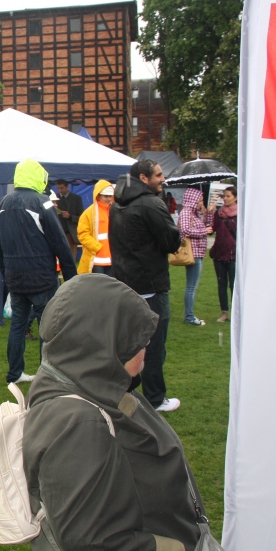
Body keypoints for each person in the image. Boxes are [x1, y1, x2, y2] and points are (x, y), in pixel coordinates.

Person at [22, 274, 228, 551]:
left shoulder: (88, 382)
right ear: (103, 342)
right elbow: (91, 539)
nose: (146, 345)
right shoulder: (77, 423)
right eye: (135, 339)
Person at [0, 160, 77, 385]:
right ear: (39, 177)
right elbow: (60, 243)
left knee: (18, 325)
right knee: (47, 327)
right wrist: (72, 279)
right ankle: (46, 377)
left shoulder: (1, 203)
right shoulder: (43, 202)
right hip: (41, 278)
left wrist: (7, 271)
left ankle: (15, 374)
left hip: (15, 277)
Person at [109, 159, 183, 413]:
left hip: (125, 283)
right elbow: (171, 241)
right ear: (143, 178)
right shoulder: (151, 203)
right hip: (149, 284)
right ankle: (155, 398)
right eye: (159, 175)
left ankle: (123, 392)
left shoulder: (116, 204)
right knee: (153, 344)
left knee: (128, 343)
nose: (163, 179)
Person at [179, 185, 215, 326]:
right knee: (191, 287)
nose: (201, 203)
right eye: (200, 200)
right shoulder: (186, 212)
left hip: (198, 252)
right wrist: (203, 231)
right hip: (192, 253)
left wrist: (209, 213)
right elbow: (185, 230)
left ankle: (190, 315)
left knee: (193, 286)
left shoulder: (195, 213)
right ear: (193, 200)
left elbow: (209, 227)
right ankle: (189, 317)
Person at [210, 186, 238, 323]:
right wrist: (209, 213)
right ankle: (224, 312)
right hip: (219, 253)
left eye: (228, 196)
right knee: (221, 284)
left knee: (233, 285)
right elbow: (211, 229)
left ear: (235, 197)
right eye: (224, 196)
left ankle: (236, 313)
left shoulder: (240, 214)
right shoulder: (219, 213)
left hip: (233, 254)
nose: (225, 199)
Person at [76, 180, 114, 275]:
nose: (109, 199)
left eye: (110, 196)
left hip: (112, 258)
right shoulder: (89, 213)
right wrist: (96, 247)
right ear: (98, 195)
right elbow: (82, 235)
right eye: (106, 196)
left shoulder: (114, 211)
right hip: (95, 259)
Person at [54, 179, 84, 260]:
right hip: (58, 233)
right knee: (59, 257)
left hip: (71, 234)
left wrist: (70, 216)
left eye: (62, 188)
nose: (60, 190)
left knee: (71, 257)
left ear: (68, 186)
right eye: (58, 188)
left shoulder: (77, 198)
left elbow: (81, 218)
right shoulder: (54, 198)